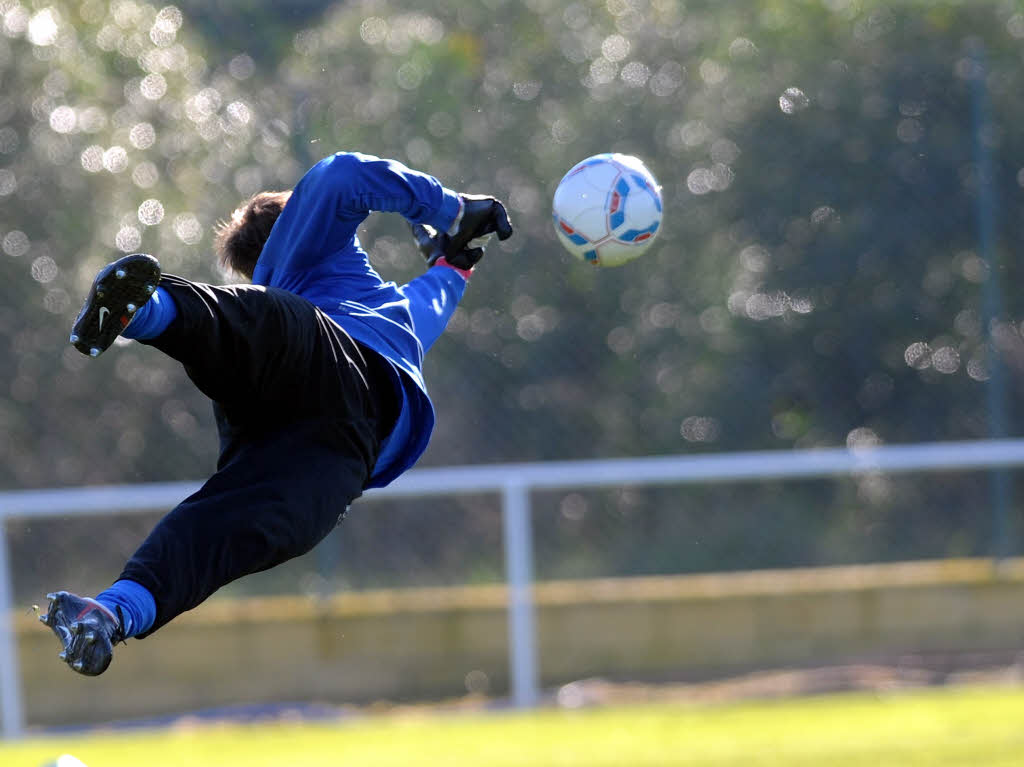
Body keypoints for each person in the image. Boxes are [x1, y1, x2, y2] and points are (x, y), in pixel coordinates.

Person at [39, 151, 513, 676]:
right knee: (265, 319)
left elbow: (438, 291)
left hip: (309, 443)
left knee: (218, 529)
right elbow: (343, 175)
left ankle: (108, 616)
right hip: (335, 400)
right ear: (297, 227)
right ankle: (142, 311)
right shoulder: (307, 261)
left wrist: (454, 258)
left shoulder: (391, 312)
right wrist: (451, 210)